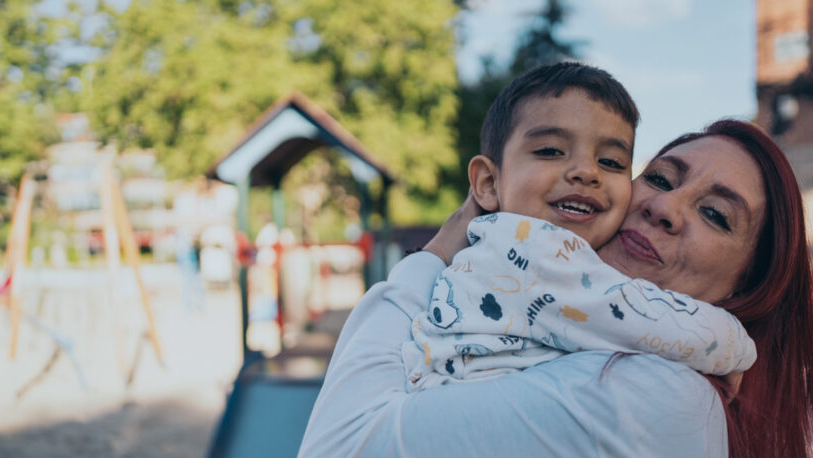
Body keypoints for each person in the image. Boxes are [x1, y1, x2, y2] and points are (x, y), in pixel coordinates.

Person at [299, 120, 813, 457]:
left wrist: (432, 257)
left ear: (747, 286)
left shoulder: (657, 396)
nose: (665, 207)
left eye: (715, 214)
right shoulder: (558, 322)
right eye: (658, 179)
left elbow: (340, 445)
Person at [401, 63, 753, 390]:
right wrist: (736, 345)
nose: (587, 171)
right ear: (489, 184)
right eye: (552, 151)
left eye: (611, 161)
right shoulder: (528, 250)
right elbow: (644, 321)